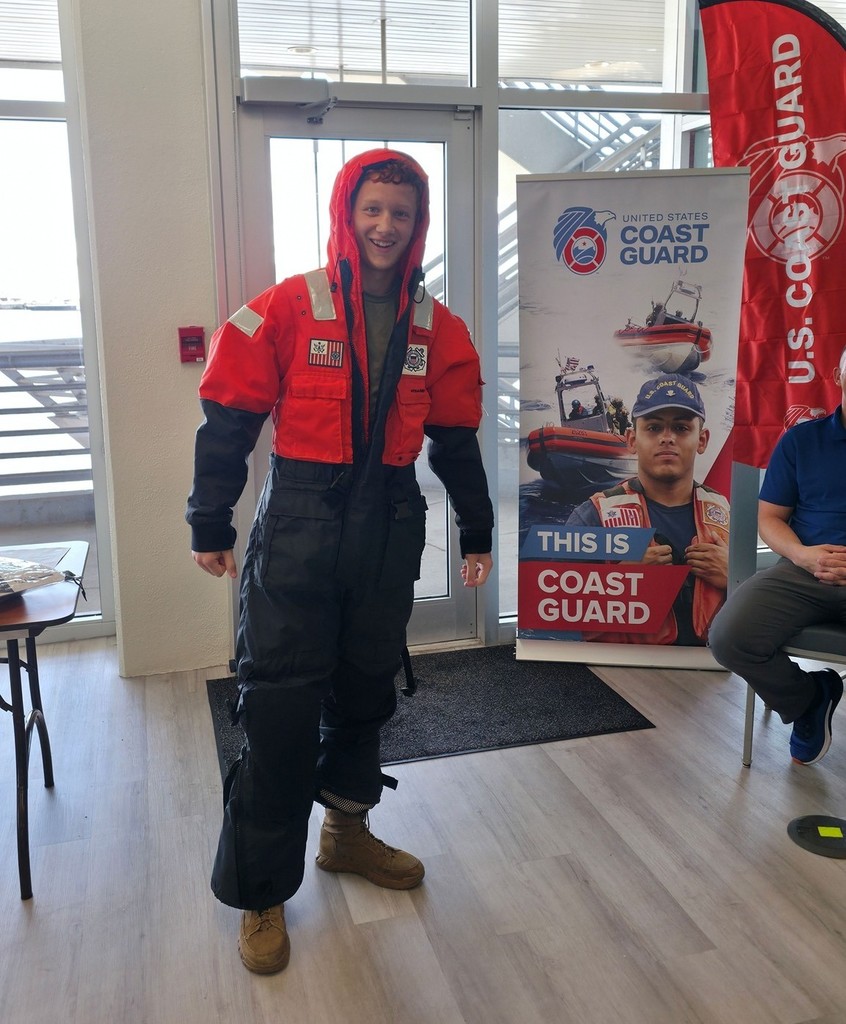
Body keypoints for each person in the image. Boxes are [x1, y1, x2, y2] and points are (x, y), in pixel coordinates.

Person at [186, 149, 494, 974]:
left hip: (390, 523)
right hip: (299, 523)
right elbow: (228, 419)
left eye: (400, 212)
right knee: (280, 711)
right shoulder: (292, 305)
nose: (386, 225)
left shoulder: (441, 327)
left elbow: (457, 440)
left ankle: (346, 833)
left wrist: (478, 529)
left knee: (364, 695)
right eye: (373, 210)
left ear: (417, 222)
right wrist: (208, 517)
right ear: (347, 214)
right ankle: (261, 894)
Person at [709, 344, 846, 765]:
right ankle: (809, 699)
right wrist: (804, 556)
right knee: (729, 637)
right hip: (805, 572)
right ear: (839, 378)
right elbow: (769, 518)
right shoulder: (802, 440)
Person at [566, 373, 730, 645]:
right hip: (620, 674)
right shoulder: (592, 516)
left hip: (713, 673)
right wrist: (621, 582)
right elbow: (556, 608)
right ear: (631, 440)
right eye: (653, 428)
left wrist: (735, 578)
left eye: (681, 428)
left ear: (702, 440)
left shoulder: (727, 515)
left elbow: (759, 608)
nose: (667, 438)